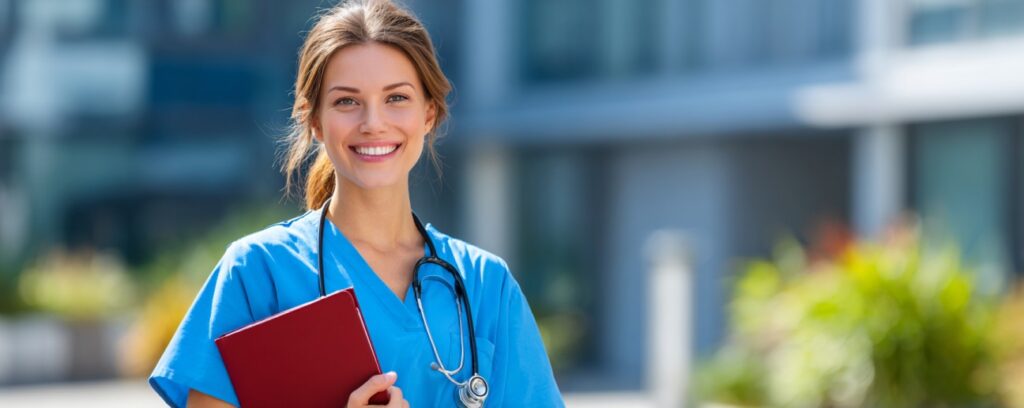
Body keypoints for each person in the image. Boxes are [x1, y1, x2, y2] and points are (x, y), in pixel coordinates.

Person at [147, 0, 564, 406]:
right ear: (315, 122)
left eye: (396, 98)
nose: (373, 123)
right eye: (347, 101)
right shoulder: (258, 272)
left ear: (429, 114)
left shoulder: (485, 285)